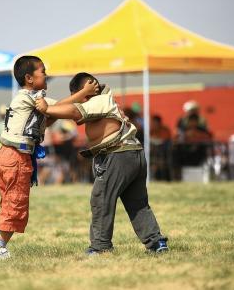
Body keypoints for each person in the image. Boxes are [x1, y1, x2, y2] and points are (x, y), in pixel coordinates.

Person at [0, 56, 98, 260]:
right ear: (29, 78)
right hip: (16, 157)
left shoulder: (31, 97)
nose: (46, 74)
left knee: (8, 201)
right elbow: (52, 109)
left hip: (6, 155)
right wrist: (83, 93)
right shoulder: (27, 97)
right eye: (42, 71)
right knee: (16, 203)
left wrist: (74, 102)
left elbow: (53, 111)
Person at [36, 72, 168, 254]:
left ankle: (100, 246)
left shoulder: (99, 100)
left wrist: (46, 109)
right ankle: (156, 242)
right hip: (132, 153)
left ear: (89, 90)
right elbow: (71, 106)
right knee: (137, 203)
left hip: (118, 155)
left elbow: (74, 111)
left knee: (101, 199)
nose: (79, 100)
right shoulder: (105, 100)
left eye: (80, 95)